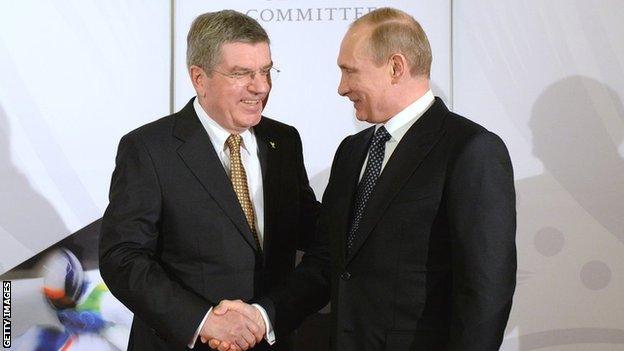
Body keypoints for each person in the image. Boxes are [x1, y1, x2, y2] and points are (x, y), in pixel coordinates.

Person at [214, 7, 516, 351]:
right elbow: (328, 262)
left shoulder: (469, 150)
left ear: (396, 67)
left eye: (349, 71)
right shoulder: (353, 151)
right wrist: (262, 316)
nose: (342, 88)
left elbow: (485, 289)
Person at [98, 10, 320, 351]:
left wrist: (266, 315)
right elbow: (122, 257)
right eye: (241, 73)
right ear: (199, 78)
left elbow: (311, 233)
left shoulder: (284, 141)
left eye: (265, 71)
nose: (260, 87)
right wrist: (204, 321)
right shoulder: (149, 149)